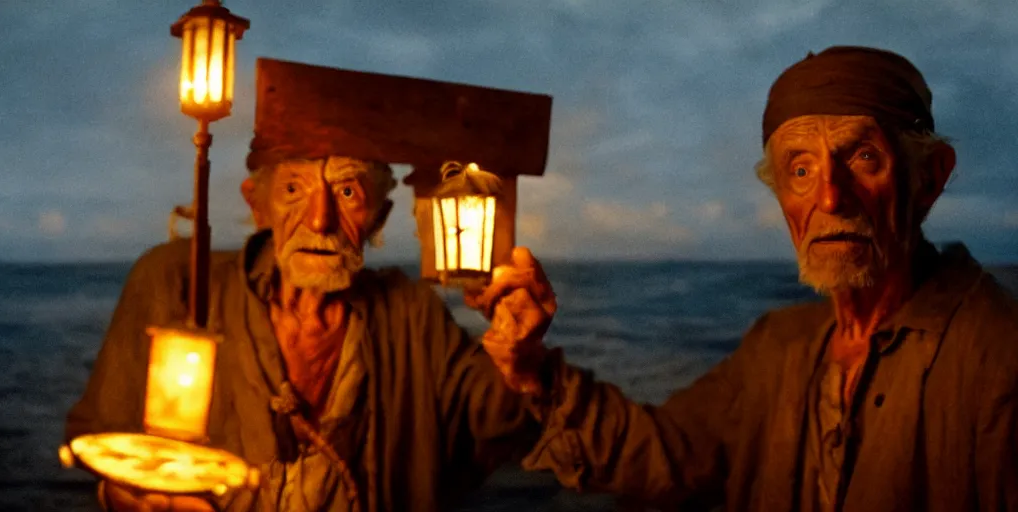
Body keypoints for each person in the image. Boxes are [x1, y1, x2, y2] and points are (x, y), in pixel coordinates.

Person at [475, 46, 1018, 511]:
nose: (830, 197)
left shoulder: (997, 357)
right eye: (800, 170)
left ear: (930, 177)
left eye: (865, 157)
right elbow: (667, 455)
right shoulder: (778, 346)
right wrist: (533, 370)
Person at [64, 152, 552, 511]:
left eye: (347, 193)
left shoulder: (411, 313)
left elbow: (491, 430)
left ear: (378, 218)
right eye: (294, 189)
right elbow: (98, 435)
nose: (320, 219)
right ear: (260, 206)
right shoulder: (173, 281)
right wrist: (127, 494)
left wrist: (519, 356)